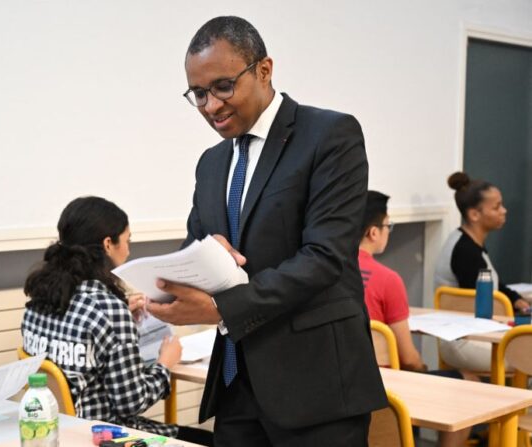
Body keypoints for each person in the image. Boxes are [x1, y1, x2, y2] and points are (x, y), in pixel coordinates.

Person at [146, 16, 386, 446]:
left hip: (318, 390)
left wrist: (223, 308)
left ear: (264, 70)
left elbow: (324, 257)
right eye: (198, 94)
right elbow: (194, 244)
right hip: (237, 383)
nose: (211, 105)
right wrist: (184, 270)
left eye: (222, 86)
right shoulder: (212, 162)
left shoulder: (330, 135)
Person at [20, 196, 213, 446]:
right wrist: (166, 363)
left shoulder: (39, 300)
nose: (129, 249)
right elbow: (132, 402)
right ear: (108, 244)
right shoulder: (107, 308)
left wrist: (122, 318)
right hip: (102, 434)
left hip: (54, 430)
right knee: (212, 440)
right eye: (127, 240)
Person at [359, 190, 476, 447]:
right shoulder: (388, 279)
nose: (389, 231)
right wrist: (422, 372)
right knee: (470, 384)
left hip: (348, 383)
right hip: (389, 387)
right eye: (388, 225)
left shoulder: (328, 272)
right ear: (373, 232)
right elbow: (409, 358)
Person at [434, 172, 530, 371]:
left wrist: (515, 298)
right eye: (496, 207)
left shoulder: (470, 245)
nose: (504, 211)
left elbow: (495, 284)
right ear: (474, 214)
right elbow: (486, 304)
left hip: (476, 333)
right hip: (464, 339)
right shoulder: (465, 252)